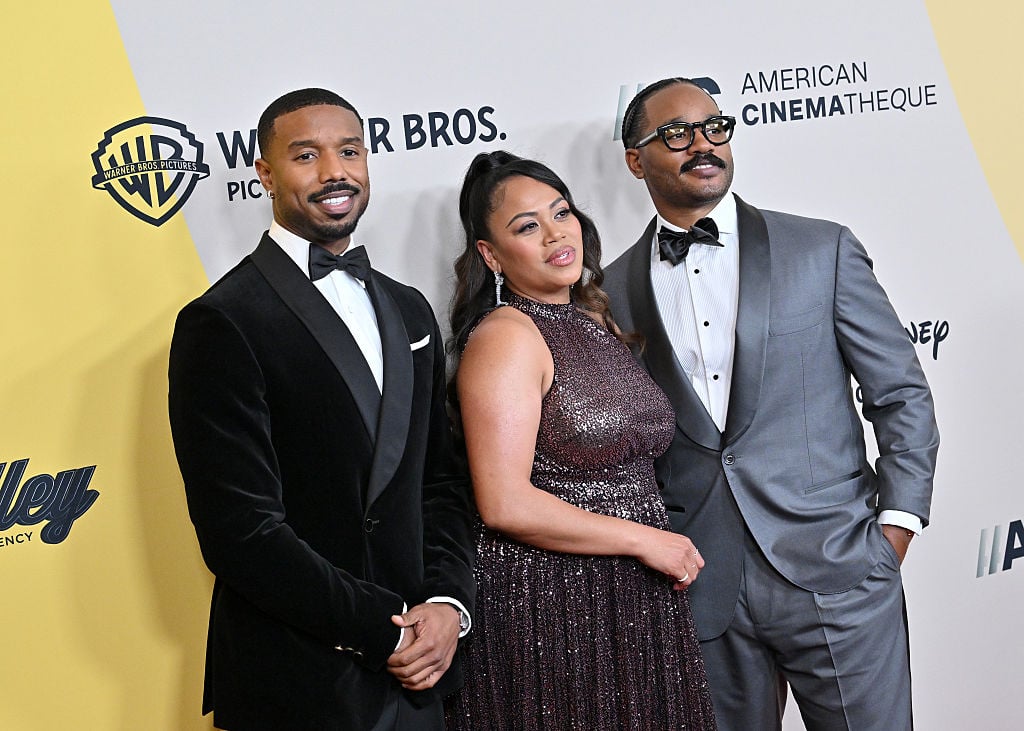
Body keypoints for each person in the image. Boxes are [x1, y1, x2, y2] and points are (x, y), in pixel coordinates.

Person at [604, 77, 939, 730]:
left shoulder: (822, 249)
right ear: (635, 159)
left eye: (715, 126)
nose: (702, 144)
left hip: (836, 572)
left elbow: (900, 394)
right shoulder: (610, 289)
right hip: (701, 589)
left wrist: (894, 529)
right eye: (676, 132)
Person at [167, 88, 475, 731]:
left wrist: (447, 604)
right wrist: (383, 632)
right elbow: (240, 531)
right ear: (265, 172)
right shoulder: (222, 321)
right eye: (306, 155)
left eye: (350, 151)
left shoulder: (410, 307)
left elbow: (439, 483)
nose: (335, 171)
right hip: (299, 679)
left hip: (420, 677)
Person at [443, 151, 717, 730]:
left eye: (560, 212)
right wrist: (647, 541)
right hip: (554, 604)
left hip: (633, 593)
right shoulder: (506, 338)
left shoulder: (591, 320)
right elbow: (503, 502)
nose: (554, 235)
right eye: (526, 226)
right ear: (490, 256)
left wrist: (647, 547)